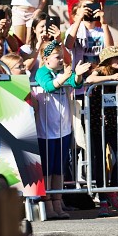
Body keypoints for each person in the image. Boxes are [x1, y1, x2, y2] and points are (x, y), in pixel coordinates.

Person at [34, 40, 93, 218]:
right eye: (57, 57)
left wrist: (77, 76)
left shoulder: (63, 71)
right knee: (47, 171)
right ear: (45, 59)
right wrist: (65, 75)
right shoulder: (42, 72)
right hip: (46, 130)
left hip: (63, 128)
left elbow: (76, 85)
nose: (61, 60)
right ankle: (47, 206)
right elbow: (49, 86)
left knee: (59, 170)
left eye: (62, 57)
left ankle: (58, 204)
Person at [85, 46, 118, 211]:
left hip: (116, 124)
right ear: (107, 60)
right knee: (100, 160)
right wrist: (110, 78)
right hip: (98, 124)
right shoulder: (101, 71)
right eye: (116, 58)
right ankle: (103, 196)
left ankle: (113, 190)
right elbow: (89, 80)